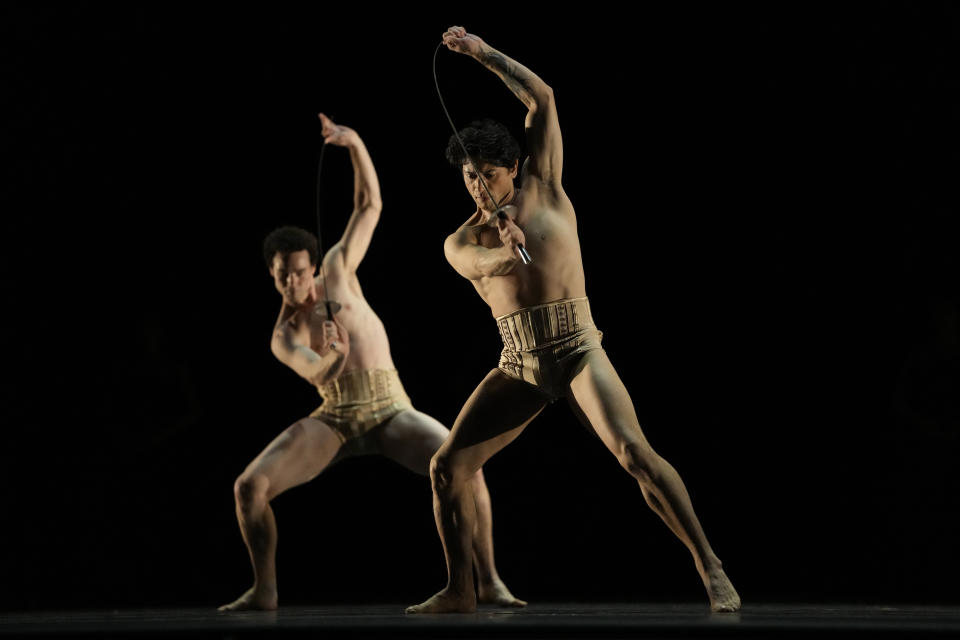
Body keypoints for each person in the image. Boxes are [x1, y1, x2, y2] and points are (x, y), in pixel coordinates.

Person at [406, 27, 741, 614]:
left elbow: (543, 98)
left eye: (487, 172)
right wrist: (506, 248)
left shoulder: (547, 188)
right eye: (468, 176)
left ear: (512, 166)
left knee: (635, 454)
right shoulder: (460, 239)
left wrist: (482, 54)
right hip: (521, 364)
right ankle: (462, 588)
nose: (478, 186)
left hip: (578, 348)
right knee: (445, 467)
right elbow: (483, 262)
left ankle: (709, 564)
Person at [219, 113, 523, 611]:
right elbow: (317, 373)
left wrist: (354, 143)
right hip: (336, 417)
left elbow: (369, 204)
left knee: (465, 465)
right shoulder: (284, 333)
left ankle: (487, 580)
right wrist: (333, 357)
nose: (294, 284)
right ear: (273, 277)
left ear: (312, 267)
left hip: (388, 407)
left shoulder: (337, 272)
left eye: (299, 273)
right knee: (249, 486)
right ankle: (265, 590)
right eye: (283, 277)